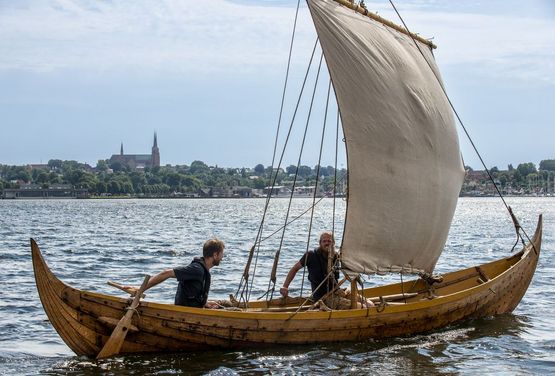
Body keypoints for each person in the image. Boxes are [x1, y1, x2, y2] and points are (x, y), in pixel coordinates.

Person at [125, 238, 225, 309]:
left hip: (193, 310)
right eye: (221, 254)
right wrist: (141, 289)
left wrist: (204, 303)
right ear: (215, 255)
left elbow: (192, 293)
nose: (222, 257)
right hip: (186, 314)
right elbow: (166, 273)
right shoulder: (197, 269)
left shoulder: (202, 270)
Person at [280, 232, 341, 303]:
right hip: (321, 298)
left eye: (329, 241)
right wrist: (285, 286)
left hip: (336, 293)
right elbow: (295, 269)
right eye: (324, 241)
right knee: (352, 305)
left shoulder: (336, 257)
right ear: (320, 243)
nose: (327, 243)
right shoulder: (311, 255)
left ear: (333, 243)